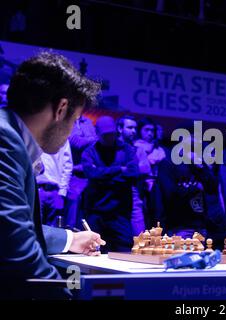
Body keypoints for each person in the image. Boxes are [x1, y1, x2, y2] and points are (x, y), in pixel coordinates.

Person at [0, 52, 105, 299]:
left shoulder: (10, 135)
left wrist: (71, 239)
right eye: (76, 120)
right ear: (61, 109)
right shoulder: (5, 141)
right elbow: (18, 253)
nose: (71, 131)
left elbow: (12, 228)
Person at [82, 116, 139, 252]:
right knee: (95, 250)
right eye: (106, 135)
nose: (110, 138)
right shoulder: (89, 152)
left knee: (124, 249)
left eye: (112, 134)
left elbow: (133, 173)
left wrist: (102, 176)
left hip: (120, 211)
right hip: (96, 210)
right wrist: (119, 169)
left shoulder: (127, 150)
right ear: (98, 134)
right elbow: (91, 174)